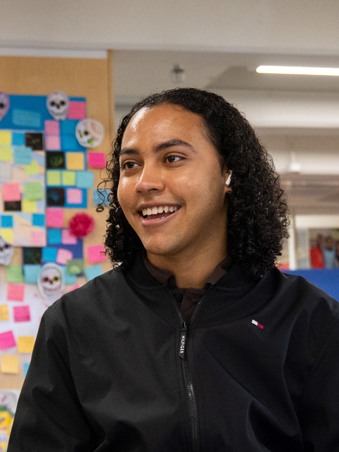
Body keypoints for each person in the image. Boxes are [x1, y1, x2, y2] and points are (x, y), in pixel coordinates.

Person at [8, 88, 339, 451]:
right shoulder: (74, 323)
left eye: (172, 158)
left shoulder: (310, 319)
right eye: (130, 165)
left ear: (228, 172)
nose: (145, 182)